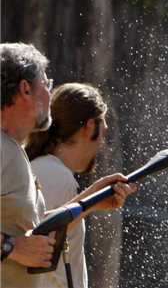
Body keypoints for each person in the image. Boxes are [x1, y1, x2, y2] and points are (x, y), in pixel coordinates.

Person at [1, 43, 135, 288]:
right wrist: (11, 247)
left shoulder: (12, 148)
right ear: (25, 89)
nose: (49, 95)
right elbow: (20, 244)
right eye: (45, 84)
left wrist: (89, 201)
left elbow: (36, 231)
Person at [25, 83, 111, 288]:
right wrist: (92, 196)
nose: (101, 144)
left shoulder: (46, 168)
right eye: (103, 132)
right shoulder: (56, 176)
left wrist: (94, 199)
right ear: (90, 126)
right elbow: (35, 241)